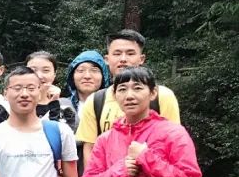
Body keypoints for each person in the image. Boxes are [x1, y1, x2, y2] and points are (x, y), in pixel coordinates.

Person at [76, 29, 181, 166]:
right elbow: (90, 148)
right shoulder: (96, 101)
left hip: (153, 175)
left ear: (141, 59)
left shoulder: (162, 96)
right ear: (107, 59)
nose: (123, 59)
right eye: (117, 53)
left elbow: (174, 144)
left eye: (130, 53)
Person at [26, 51, 76, 128]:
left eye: (46, 70)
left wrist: (54, 104)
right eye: (33, 70)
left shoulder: (65, 107)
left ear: (54, 74)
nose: (39, 76)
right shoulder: (13, 105)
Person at [64, 49, 110, 128]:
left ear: (104, 77)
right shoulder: (62, 106)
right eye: (81, 70)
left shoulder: (114, 107)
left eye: (94, 70)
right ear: (72, 76)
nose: (87, 76)